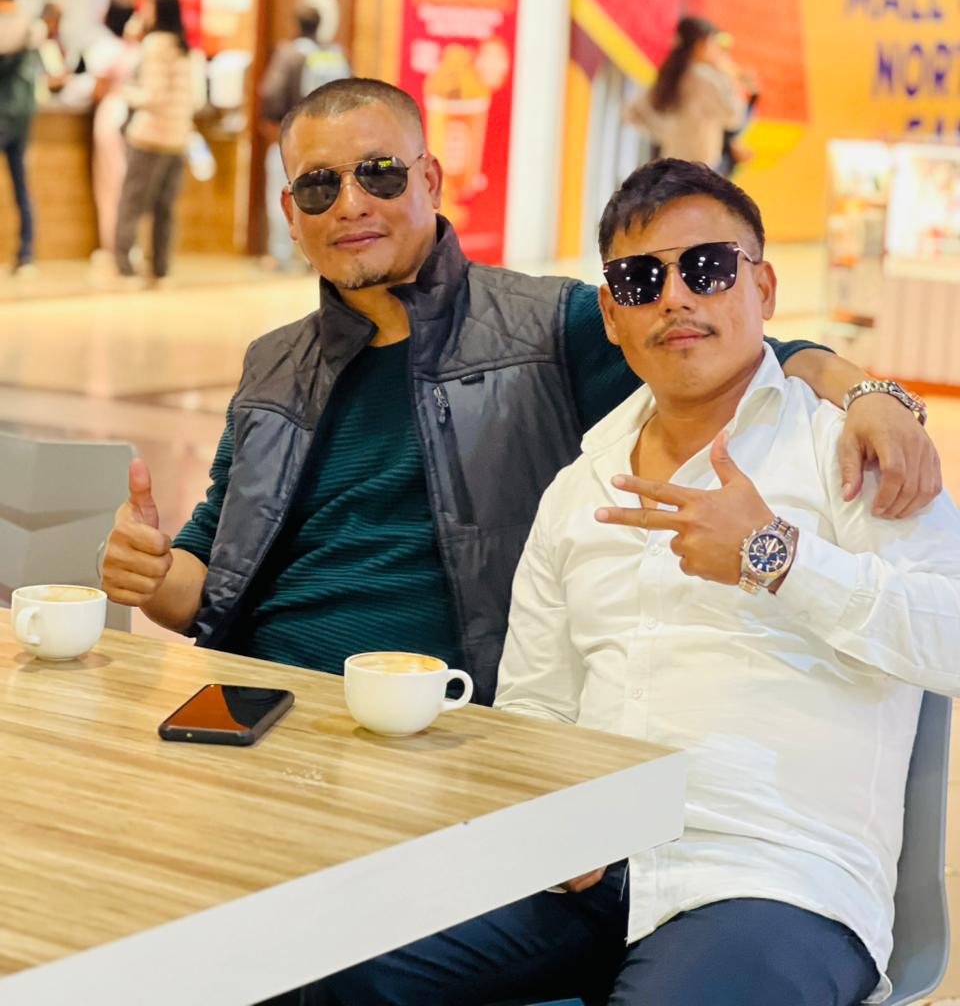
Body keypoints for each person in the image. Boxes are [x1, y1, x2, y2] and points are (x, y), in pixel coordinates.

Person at [319, 159, 960, 1006]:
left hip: (770, 875)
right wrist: (550, 811)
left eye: (707, 267)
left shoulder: (850, 450)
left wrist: (775, 556)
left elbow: (949, 638)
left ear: (763, 287)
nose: (675, 298)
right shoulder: (580, 486)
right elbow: (540, 704)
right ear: (612, 316)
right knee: (326, 958)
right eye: (640, 279)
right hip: (584, 867)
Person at [100, 80, 940, 711]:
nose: (351, 204)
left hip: (437, 714)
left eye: (380, 175)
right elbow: (208, 585)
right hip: (261, 709)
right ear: (292, 211)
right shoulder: (274, 364)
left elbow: (720, 344)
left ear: (431, 179)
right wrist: (151, 572)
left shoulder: (546, 327)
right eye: (320, 186)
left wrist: (862, 389)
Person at [114, 0, 205, 286]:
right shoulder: (186, 47)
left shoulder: (155, 44)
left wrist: (126, 91)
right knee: (165, 208)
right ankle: (161, 268)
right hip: (178, 137)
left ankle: (124, 267)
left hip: (149, 136)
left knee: (132, 203)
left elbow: (152, 95)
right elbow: (196, 99)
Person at [258, 0, 351, 270]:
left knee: (283, 196)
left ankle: (280, 255)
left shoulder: (289, 54)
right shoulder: (335, 55)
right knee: (327, 198)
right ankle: (319, 257)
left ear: (296, 23)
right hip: (334, 143)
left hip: (293, 140)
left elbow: (272, 94)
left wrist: (272, 126)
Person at [625, 16, 747, 171]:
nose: (717, 50)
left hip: (672, 161)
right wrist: (727, 76)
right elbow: (734, 117)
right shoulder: (705, 78)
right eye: (713, 44)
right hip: (698, 167)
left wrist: (665, 133)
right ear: (701, 45)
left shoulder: (672, 75)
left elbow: (634, 113)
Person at [85, 0, 139, 260]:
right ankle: (130, 245)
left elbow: (98, 91)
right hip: (133, 116)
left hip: (110, 115)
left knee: (110, 183)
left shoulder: (105, 48)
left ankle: (114, 247)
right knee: (128, 181)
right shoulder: (138, 49)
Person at [0, 0, 44, 275]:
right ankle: (26, 253)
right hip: (24, 114)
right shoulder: (32, 25)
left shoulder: (8, 26)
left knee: (20, 185)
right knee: (21, 185)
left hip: (4, 113)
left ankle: (26, 253)